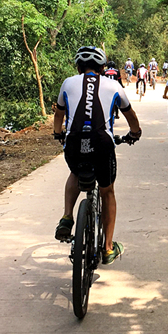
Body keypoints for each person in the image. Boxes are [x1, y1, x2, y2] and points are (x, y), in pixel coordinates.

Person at [53, 46, 142, 264]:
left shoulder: (68, 83)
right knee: (107, 191)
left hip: (74, 144)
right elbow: (130, 115)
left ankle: (67, 217)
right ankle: (108, 248)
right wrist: (135, 133)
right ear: (103, 68)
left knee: (75, 172)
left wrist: (58, 134)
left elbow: (59, 114)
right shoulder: (114, 85)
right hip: (102, 145)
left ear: (78, 68)